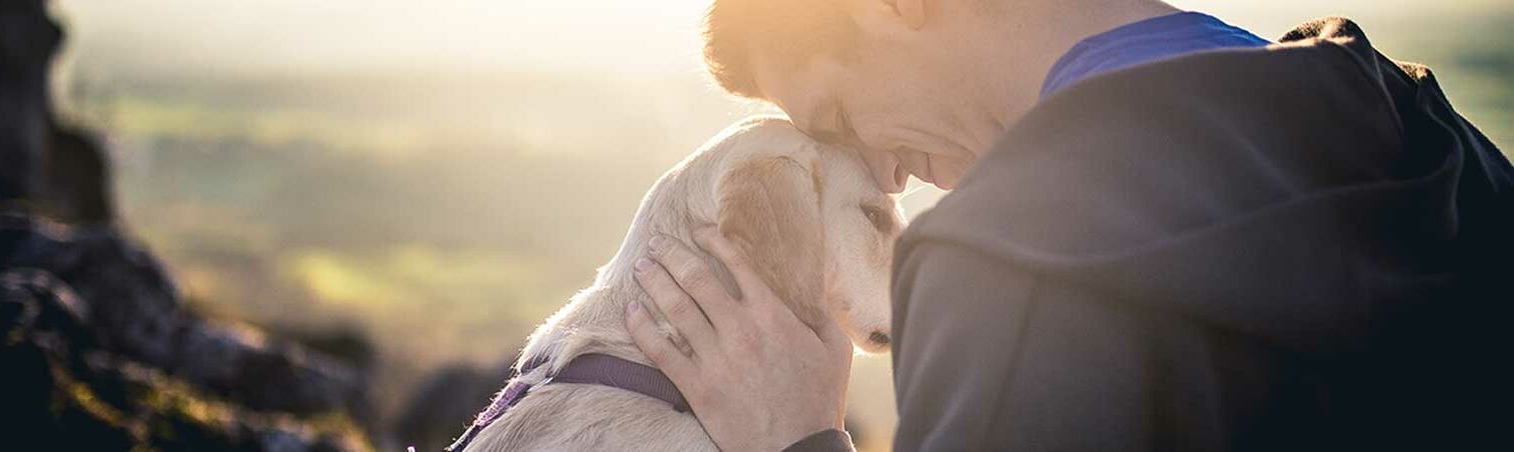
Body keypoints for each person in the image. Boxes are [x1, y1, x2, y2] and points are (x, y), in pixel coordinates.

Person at [621, 0, 1513, 450]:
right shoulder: (1437, 137)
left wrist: (798, 440)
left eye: (839, 116)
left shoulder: (1006, 265)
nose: (884, 174)